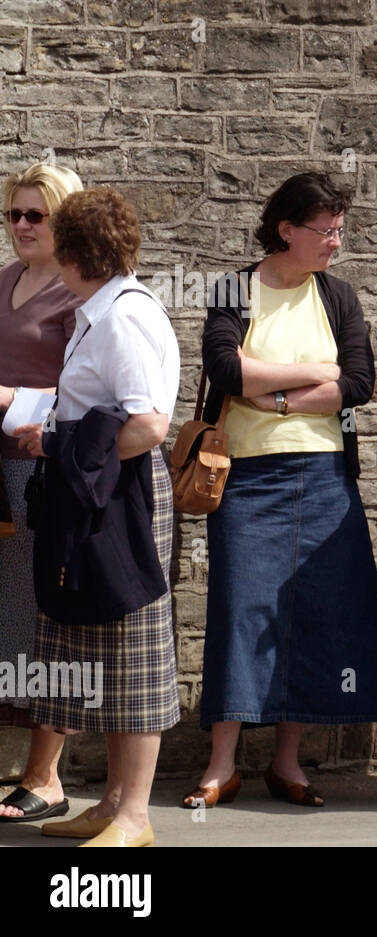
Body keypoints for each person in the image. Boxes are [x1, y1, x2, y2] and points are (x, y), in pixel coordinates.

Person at [190, 172, 377, 810]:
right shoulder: (235, 288)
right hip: (248, 478)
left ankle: (287, 763)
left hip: (326, 479)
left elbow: (361, 382)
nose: (336, 242)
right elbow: (225, 368)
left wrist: (272, 394)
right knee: (240, 610)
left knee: (311, 613)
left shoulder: (338, 296)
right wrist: (313, 375)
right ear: (287, 229)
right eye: (326, 230)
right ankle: (221, 763)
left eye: (340, 230)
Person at [15, 187, 179, 846]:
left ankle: (135, 817)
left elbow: (148, 424)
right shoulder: (101, 309)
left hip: (121, 497)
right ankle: (113, 803)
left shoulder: (121, 318)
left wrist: (55, 444)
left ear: (78, 253)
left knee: (134, 655)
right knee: (108, 654)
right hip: (98, 492)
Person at [0, 163, 82, 825]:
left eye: (36, 215)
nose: (22, 226)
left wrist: (6, 399)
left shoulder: (79, 295)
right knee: (7, 624)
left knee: (45, 623)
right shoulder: (4, 282)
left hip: (43, 474)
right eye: (14, 215)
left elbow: (91, 394)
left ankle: (46, 774)